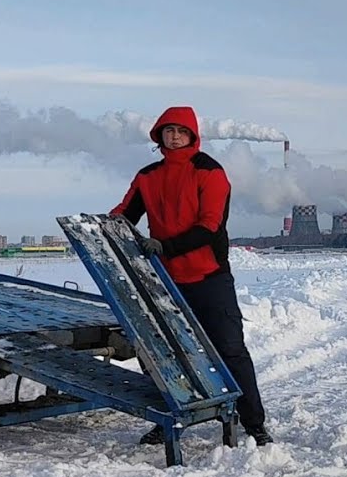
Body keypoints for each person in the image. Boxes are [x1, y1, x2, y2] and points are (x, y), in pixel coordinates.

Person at [110, 105, 273, 446]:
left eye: (181, 131)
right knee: (161, 352)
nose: (174, 136)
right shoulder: (148, 176)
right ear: (159, 136)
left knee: (229, 350)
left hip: (209, 277)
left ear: (193, 136)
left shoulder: (210, 172)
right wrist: (106, 225)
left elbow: (210, 226)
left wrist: (164, 246)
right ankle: (168, 414)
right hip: (166, 283)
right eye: (168, 131)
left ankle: (253, 422)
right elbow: (126, 213)